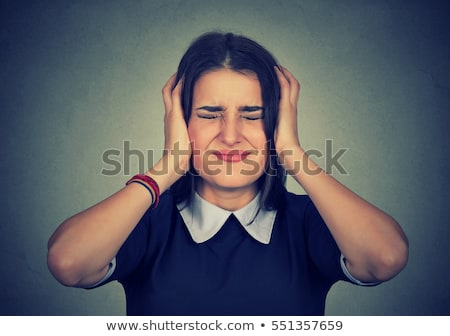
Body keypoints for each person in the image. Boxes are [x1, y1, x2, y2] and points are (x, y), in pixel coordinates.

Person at [47, 31, 409, 315]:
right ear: (180, 122)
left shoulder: (309, 222)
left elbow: (385, 259)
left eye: (253, 115)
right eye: (208, 114)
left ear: (277, 123)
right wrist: (168, 167)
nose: (231, 135)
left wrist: (292, 153)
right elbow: (69, 263)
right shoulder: (147, 222)